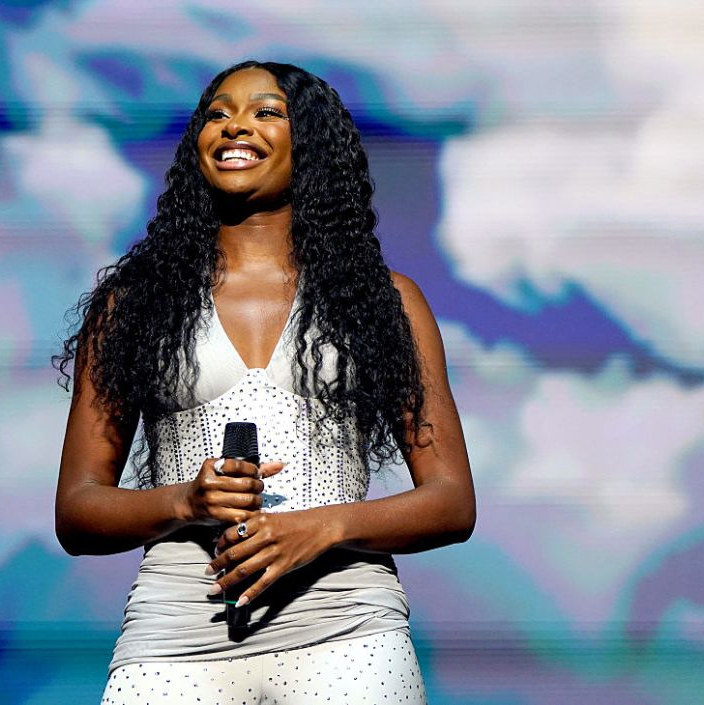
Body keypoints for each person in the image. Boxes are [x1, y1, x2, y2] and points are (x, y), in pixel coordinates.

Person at [53, 60, 475, 705]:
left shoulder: (384, 301)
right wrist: (182, 504)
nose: (234, 127)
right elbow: (78, 510)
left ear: (310, 143)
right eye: (217, 114)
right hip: (176, 633)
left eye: (265, 112)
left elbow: (451, 501)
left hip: (347, 631)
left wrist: (322, 527)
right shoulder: (134, 305)